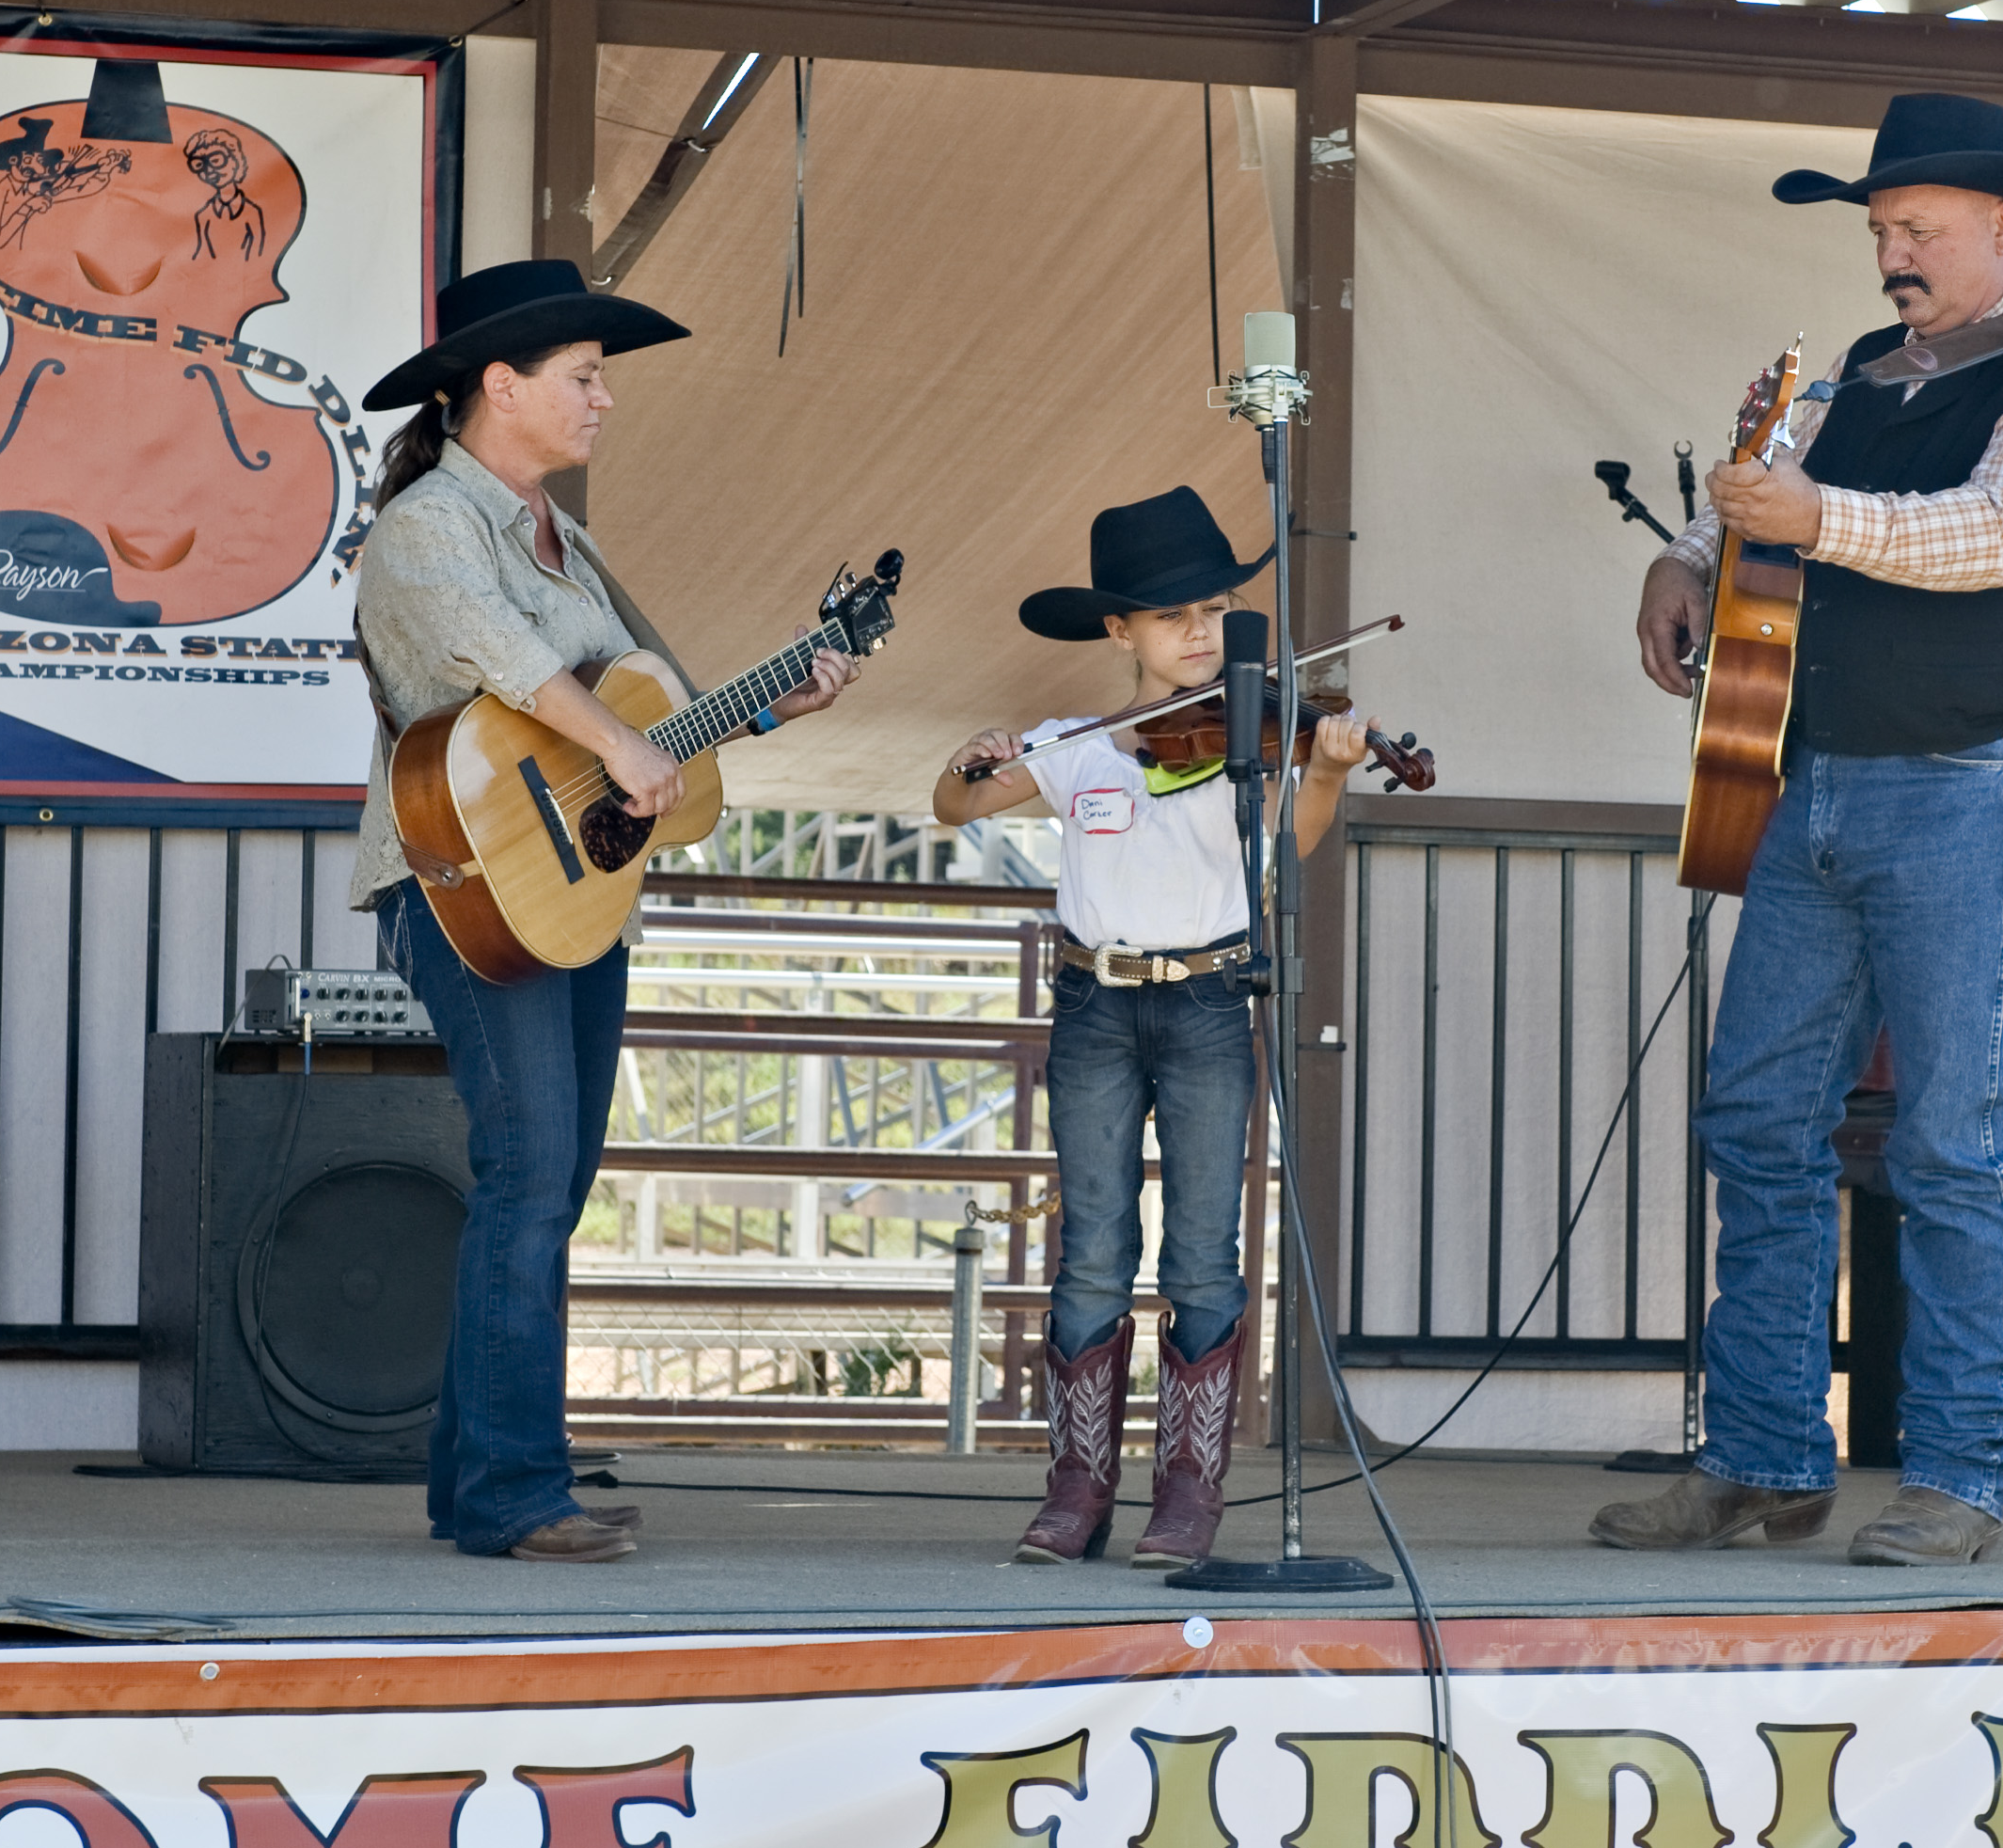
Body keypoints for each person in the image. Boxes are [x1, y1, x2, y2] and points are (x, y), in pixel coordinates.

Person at [1592, 93, 2003, 1567]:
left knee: (1956, 1140)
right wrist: (1686, 548)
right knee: (1759, 1119)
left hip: (1972, 780)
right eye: (1883, 228)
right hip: (1813, 778)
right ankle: (1766, 1455)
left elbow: (1995, 532)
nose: (1894, 251)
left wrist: (1810, 514)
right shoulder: (1852, 375)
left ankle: (1958, 1469)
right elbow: (1766, 505)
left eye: (1920, 229)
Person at [353, 258, 855, 1563]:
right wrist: (613, 743)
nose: (605, 398)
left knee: (551, 1178)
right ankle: (523, 1489)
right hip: (461, 881)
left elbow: (649, 717)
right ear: (500, 385)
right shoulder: (425, 525)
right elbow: (496, 659)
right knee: (529, 1173)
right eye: (584, 376)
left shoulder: (573, 542)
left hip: (567, 893)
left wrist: (766, 698)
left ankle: (479, 1480)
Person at [933, 486, 1371, 1567]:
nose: (1200, 633)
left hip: (1211, 1000)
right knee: (1089, 1247)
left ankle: (1188, 1493)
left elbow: (1297, 842)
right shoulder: (1077, 746)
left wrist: (1322, 768)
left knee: (1204, 1253)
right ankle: (1076, 1487)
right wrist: (972, 757)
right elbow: (957, 805)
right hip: (1094, 1002)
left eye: (1216, 609)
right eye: (1171, 616)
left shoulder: (1254, 738)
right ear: (1117, 629)